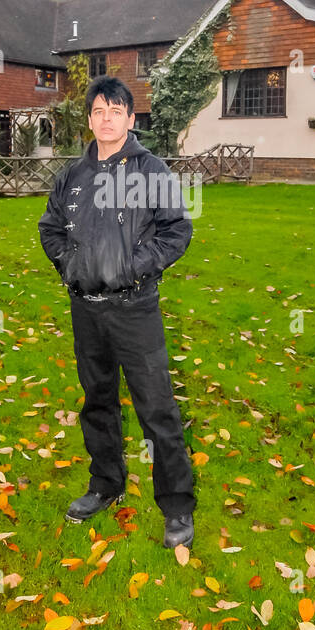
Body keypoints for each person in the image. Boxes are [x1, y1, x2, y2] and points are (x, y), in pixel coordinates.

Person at [37, 76, 196, 549]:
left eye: (116, 111)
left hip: (135, 310)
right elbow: (50, 228)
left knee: (157, 410)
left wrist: (132, 267)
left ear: (131, 118)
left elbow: (176, 231)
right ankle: (105, 484)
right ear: (90, 119)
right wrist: (71, 265)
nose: (107, 119)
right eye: (99, 111)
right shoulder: (72, 175)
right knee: (97, 402)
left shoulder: (151, 171)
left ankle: (177, 506)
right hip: (86, 310)